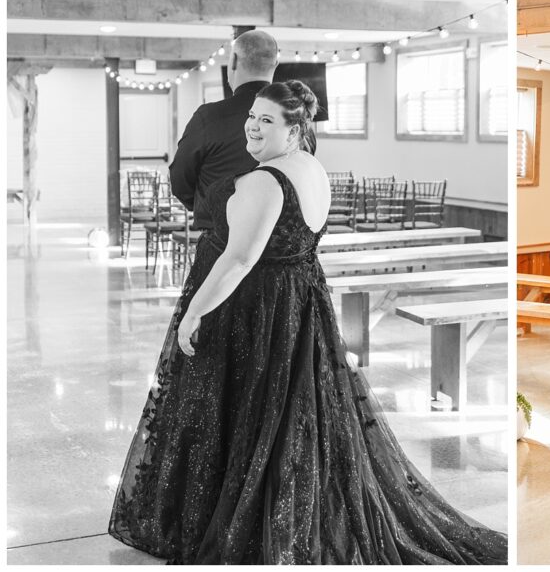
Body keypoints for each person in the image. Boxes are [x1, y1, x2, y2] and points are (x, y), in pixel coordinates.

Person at [109, 81, 507, 563]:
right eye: (252, 117)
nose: (252, 127)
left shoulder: (264, 181)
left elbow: (239, 260)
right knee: (278, 414)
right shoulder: (311, 169)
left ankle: (244, 517)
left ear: (296, 129)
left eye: (267, 121)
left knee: (248, 412)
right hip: (295, 306)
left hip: (252, 312)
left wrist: (193, 312)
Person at [169, 29, 280, 230]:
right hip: (276, 238)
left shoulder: (210, 117)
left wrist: (204, 204)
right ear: (275, 64)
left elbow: (179, 180)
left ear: (234, 61)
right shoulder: (295, 120)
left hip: (219, 236)